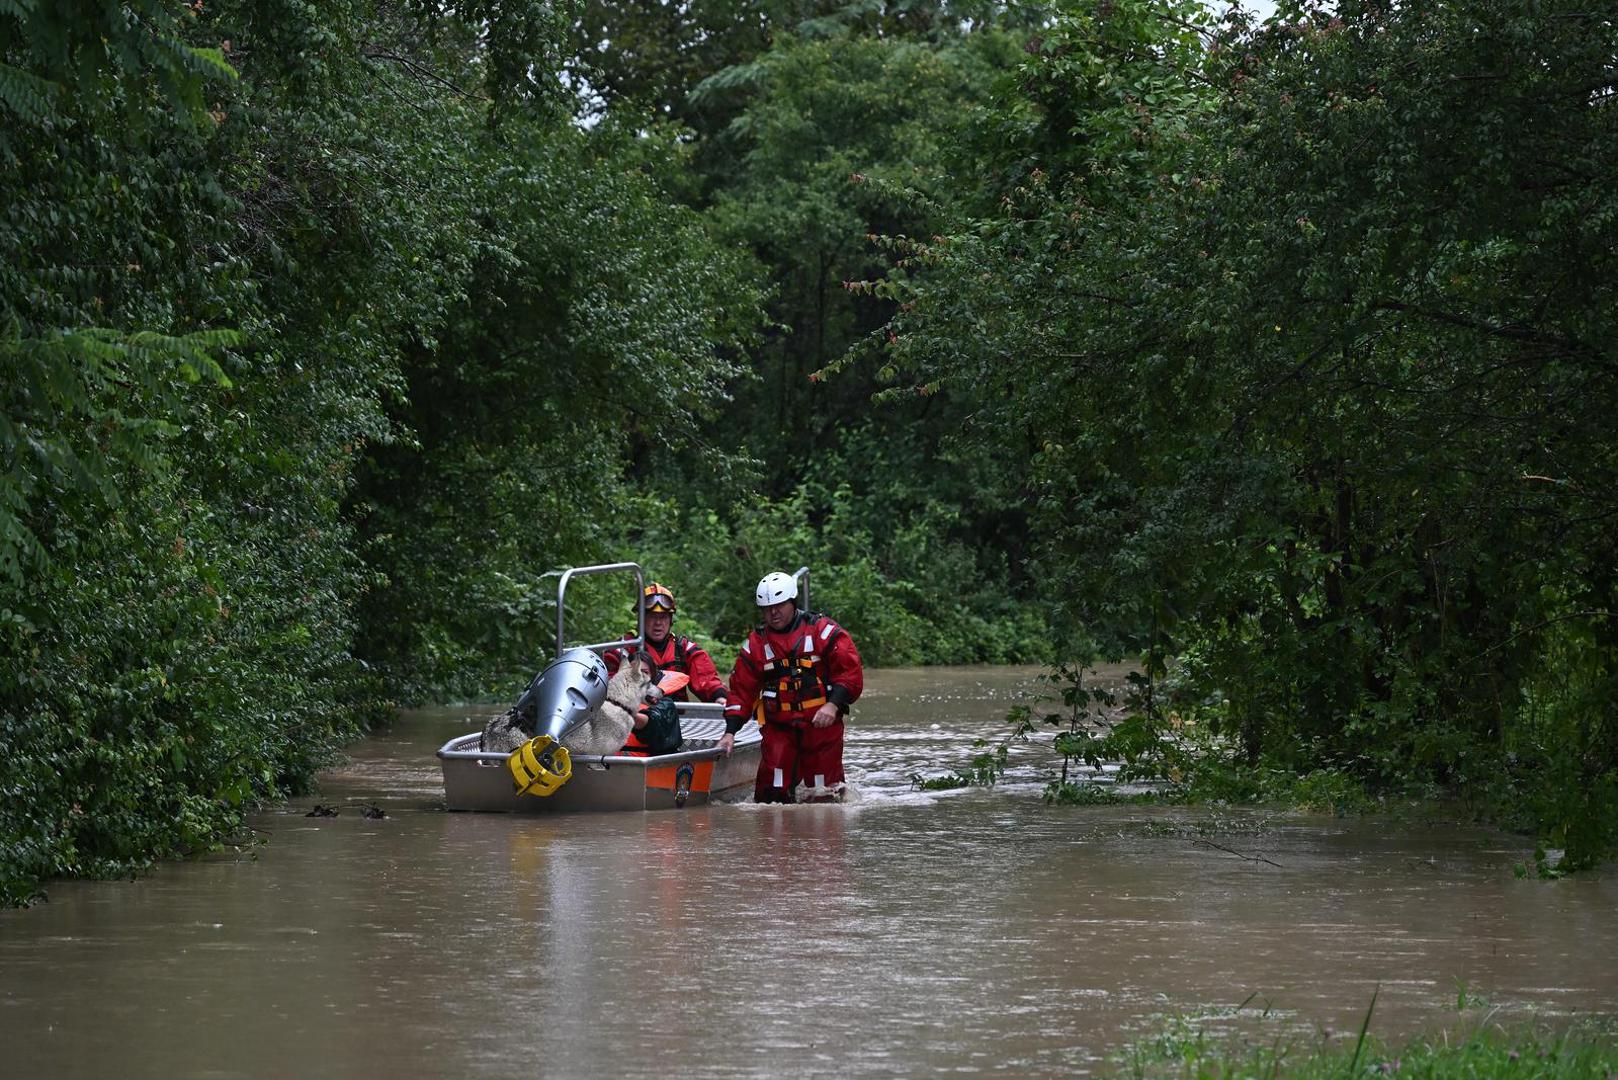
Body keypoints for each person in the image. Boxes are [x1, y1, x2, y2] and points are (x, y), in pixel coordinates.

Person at [719, 571, 863, 803]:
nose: (773, 613)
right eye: (767, 608)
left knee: (823, 795)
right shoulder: (756, 644)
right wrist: (730, 732)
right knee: (770, 796)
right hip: (779, 728)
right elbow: (741, 691)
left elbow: (850, 673)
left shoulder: (823, 632)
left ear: (792, 602)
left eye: (778, 606)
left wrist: (833, 705)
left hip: (821, 725)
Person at [604, 582, 729, 708]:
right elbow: (608, 685)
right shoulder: (624, 648)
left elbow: (706, 679)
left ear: (670, 620)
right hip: (639, 720)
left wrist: (719, 696)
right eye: (652, 616)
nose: (658, 622)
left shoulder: (683, 649)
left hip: (678, 720)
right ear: (640, 619)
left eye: (663, 617)